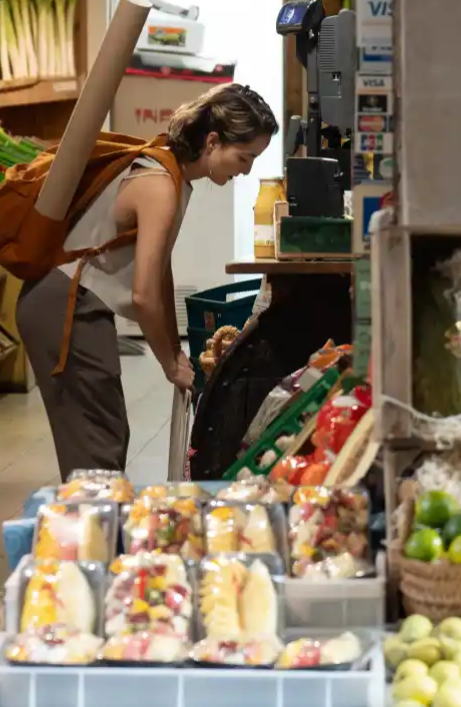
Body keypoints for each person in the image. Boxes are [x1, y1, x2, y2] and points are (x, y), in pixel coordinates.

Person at [16, 83, 277, 478]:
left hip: (72, 303)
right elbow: (143, 295)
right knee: (95, 446)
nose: (247, 170)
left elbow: (160, 274)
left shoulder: (171, 175)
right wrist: (169, 362)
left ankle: (94, 529)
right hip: (66, 305)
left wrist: (177, 351)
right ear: (212, 142)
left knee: (105, 434)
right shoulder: (160, 185)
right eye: (244, 157)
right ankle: (89, 533)